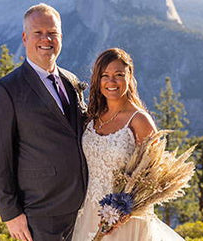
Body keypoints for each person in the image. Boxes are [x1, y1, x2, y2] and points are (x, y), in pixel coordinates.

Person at [0, 3, 88, 241]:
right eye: (38, 33)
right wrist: (11, 214)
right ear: (24, 37)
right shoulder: (6, 90)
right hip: (39, 214)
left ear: (61, 37)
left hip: (83, 209)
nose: (46, 39)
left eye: (52, 33)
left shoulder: (71, 81)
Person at [71, 48, 185, 241]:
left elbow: (153, 176)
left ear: (130, 76)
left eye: (119, 75)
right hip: (88, 212)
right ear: (97, 80)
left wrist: (125, 212)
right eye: (105, 75)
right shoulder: (93, 118)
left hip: (125, 221)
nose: (111, 82)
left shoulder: (139, 120)